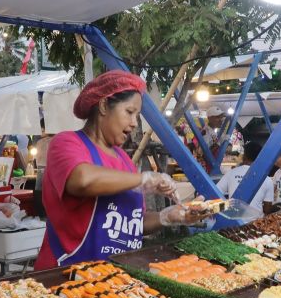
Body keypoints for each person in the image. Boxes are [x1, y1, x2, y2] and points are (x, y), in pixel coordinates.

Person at [34, 71, 206, 269]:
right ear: (104, 106)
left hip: (115, 279)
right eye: (129, 112)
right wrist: (144, 179)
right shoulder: (66, 143)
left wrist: (167, 216)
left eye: (137, 115)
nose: (134, 123)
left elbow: (133, 224)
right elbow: (82, 180)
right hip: (65, 276)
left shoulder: (124, 160)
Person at [216, 141, 274, 214]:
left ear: (245, 156)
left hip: (233, 220)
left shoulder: (231, 173)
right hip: (255, 222)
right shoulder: (267, 179)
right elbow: (267, 209)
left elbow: (216, 192)